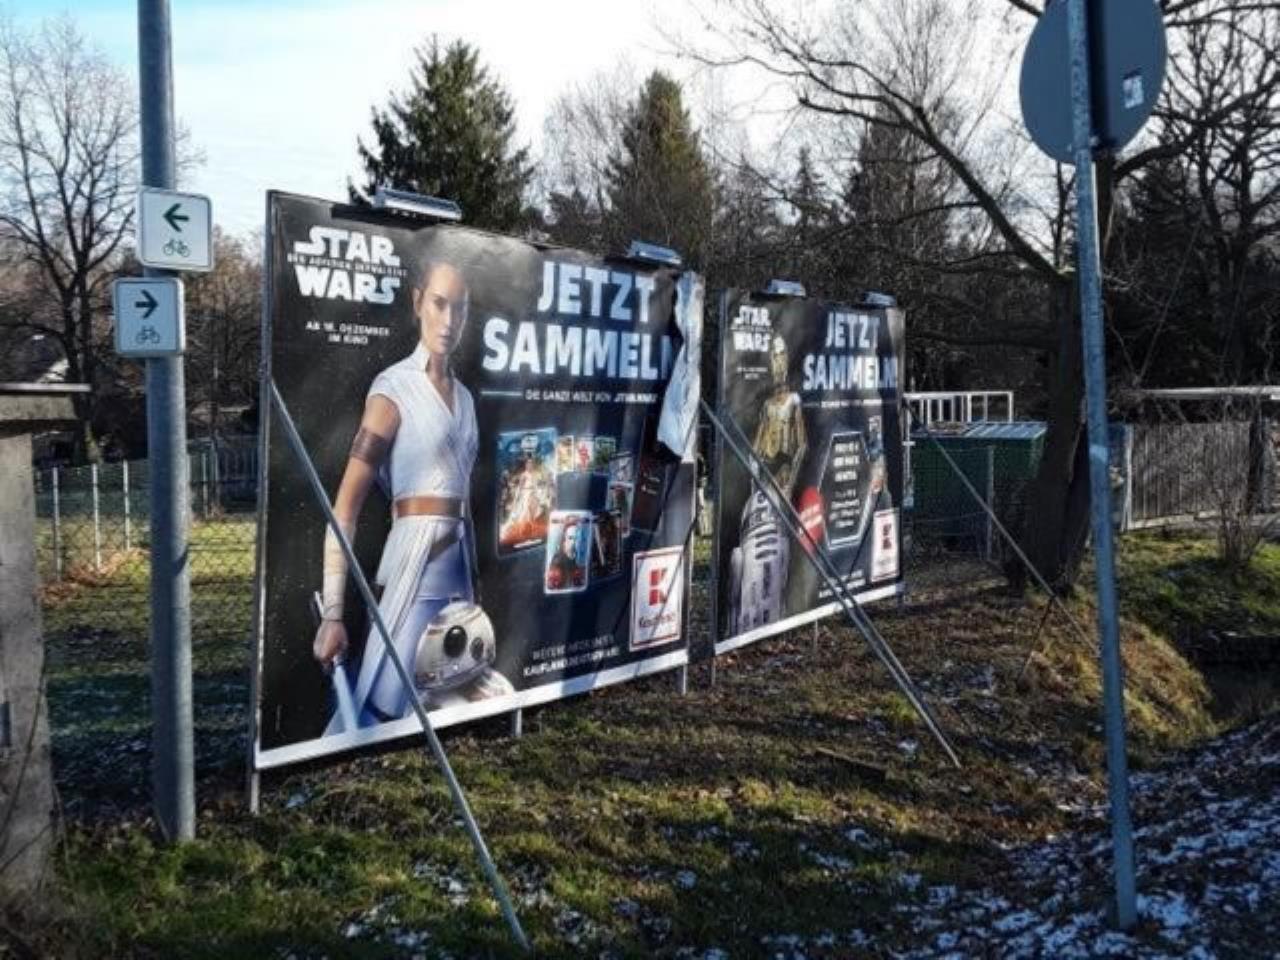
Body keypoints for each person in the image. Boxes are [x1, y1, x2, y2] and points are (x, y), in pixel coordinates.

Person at [312, 259, 511, 727]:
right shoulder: (393, 389)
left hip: (458, 572)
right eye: (439, 304)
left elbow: (463, 501)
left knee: (453, 689)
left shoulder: (466, 401)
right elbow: (345, 509)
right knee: (385, 701)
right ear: (418, 302)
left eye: (459, 308)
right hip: (412, 567)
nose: (449, 320)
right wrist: (333, 613)